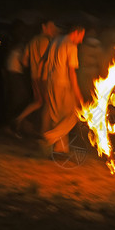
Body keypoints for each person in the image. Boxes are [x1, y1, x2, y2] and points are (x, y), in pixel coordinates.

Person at [40, 25, 85, 155]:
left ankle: (60, 149)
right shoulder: (71, 45)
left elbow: (43, 61)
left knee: (57, 117)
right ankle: (48, 138)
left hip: (51, 81)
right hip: (63, 83)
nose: (81, 40)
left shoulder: (55, 40)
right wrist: (78, 94)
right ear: (76, 32)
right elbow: (71, 72)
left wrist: (43, 80)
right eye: (81, 36)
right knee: (75, 114)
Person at [11, 19, 59, 135]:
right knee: (48, 103)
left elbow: (24, 61)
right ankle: (44, 132)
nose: (53, 30)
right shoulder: (47, 41)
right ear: (44, 27)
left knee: (39, 102)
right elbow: (46, 60)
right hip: (44, 77)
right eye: (51, 27)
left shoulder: (32, 41)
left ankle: (18, 119)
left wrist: (34, 65)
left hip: (34, 76)